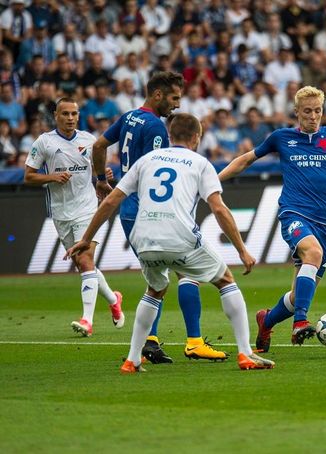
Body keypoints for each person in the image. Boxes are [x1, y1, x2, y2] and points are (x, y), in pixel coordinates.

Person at [65, 113, 273, 373]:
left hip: (143, 238)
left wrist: (86, 239)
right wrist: (242, 249)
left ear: (170, 136)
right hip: (179, 237)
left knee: (155, 289)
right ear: (197, 137)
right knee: (226, 281)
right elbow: (219, 209)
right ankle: (245, 354)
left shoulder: (146, 161)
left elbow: (109, 201)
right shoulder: (200, 163)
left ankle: (132, 360)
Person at [218, 85, 326, 351]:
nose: (313, 116)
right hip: (294, 213)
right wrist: (213, 181)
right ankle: (301, 323)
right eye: (307, 111)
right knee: (312, 255)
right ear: (296, 112)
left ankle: (266, 320)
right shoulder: (281, 137)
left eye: (318, 110)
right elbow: (246, 160)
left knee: (296, 297)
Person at [91, 71, 224, 364]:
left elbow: (99, 146)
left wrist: (100, 178)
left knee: (157, 279)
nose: (177, 104)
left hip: (128, 212)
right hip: (149, 209)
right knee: (186, 272)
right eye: (174, 97)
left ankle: (150, 341)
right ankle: (194, 342)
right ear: (158, 95)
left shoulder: (128, 117)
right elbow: (155, 170)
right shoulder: (154, 127)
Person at [24, 98, 124, 336]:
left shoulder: (89, 141)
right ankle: (114, 299)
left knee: (86, 260)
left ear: (79, 116)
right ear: (56, 115)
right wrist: (51, 178)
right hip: (61, 213)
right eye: (65, 114)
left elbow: (100, 170)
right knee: (82, 265)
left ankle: (87, 320)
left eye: (74, 114)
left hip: (89, 209)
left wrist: (104, 174)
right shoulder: (44, 142)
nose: (70, 118)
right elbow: (29, 176)